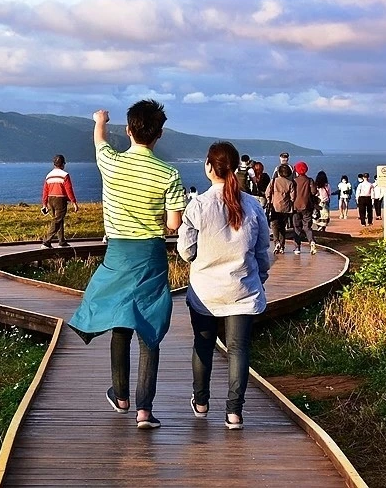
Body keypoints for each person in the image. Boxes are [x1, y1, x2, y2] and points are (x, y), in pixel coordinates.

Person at [68, 100, 185, 430]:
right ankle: (144, 411)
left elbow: (99, 141)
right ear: (159, 134)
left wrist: (100, 120)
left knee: (121, 320)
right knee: (149, 326)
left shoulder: (111, 164)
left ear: (129, 130)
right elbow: (174, 225)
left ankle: (120, 396)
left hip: (118, 253)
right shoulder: (169, 174)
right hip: (150, 254)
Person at [177, 141, 270, 430]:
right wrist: (259, 278)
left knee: (202, 344)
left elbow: (186, 251)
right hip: (243, 289)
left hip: (205, 291)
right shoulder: (253, 205)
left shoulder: (198, 205)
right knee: (238, 350)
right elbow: (263, 251)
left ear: (208, 167)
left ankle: (201, 402)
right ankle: (234, 413)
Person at [40, 154, 79, 248]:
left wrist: (44, 204)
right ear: (63, 164)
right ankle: (46, 242)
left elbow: (45, 191)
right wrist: (74, 202)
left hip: (50, 199)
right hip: (60, 199)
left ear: (54, 164)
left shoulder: (48, 176)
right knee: (57, 220)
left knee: (59, 220)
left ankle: (62, 241)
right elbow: (69, 189)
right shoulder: (64, 175)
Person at [265, 163, 295, 254]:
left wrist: (270, 200)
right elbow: (292, 197)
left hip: (274, 206)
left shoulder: (274, 181)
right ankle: (282, 245)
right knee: (282, 227)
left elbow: (267, 193)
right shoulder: (290, 183)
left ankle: (276, 242)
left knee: (274, 225)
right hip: (285, 208)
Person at [291, 161, 317, 255]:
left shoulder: (294, 181)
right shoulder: (310, 180)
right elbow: (314, 192)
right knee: (307, 227)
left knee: (296, 227)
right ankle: (312, 242)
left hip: (295, 207)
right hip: (307, 206)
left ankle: (297, 247)